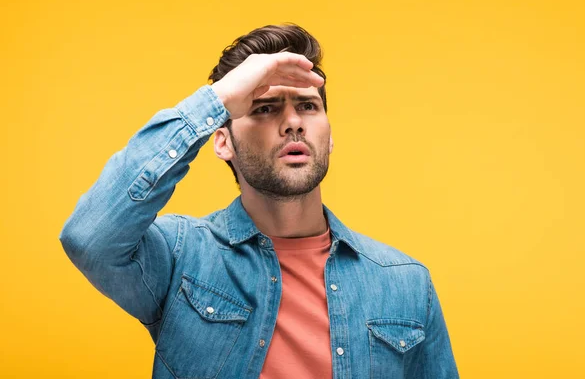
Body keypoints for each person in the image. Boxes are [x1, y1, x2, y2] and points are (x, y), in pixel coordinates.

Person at [59, 23, 459, 379]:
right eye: (264, 108)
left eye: (308, 106)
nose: (293, 122)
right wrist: (215, 102)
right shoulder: (181, 256)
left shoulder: (405, 283)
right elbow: (89, 238)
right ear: (222, 141)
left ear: (330, 136)